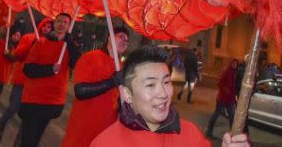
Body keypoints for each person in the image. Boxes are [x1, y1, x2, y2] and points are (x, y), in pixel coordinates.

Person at [90, 46, 249, 147]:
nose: (163, 93)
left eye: (166, 82)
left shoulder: (191, 134)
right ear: (127, 94)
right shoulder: (105, 143)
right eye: (150, 85)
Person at [18, 13, 81, 147]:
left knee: (36, 139)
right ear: (54, 24)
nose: (62, 24)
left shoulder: (69, 46)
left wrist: (70, 43)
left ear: (69, 26)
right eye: (59, 21)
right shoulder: (41, 42)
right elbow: (28, 69)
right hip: (33, 99)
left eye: (65, 22)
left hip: (52, 101)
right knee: (27, 140)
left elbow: (78, 64)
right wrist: (49, 70)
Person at [62, 27, 130, 147]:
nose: (125, 41)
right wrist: (112, 81)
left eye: (127, 40)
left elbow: (116, 97)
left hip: (105, 130)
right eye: (121, 37)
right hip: (83, 126)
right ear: (109, 37)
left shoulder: (121, 66)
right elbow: (80, 91)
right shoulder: (90, 57)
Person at [0, 18, 53, 144]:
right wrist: (33, 45)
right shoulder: (29, 38)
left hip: (36, 86)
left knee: (27, 117)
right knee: (12, 109)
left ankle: (18, 142)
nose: (46, 29)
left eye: (49, 27)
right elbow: (18, 54)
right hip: (21, 82)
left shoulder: (51, 43)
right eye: (44, 26)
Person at [206, 59, 238, 139]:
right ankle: (209, 131)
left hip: (230, 99)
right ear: (231, 64)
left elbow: (234, 86)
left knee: (232, 116)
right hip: (222, 98)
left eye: (236, 64)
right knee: (216, 114)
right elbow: (219, 82)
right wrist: (225, 89)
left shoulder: (235, 73)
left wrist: (234, 96)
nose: (235, 65)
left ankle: (232, 134)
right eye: (233, 63)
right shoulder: (226, 71)